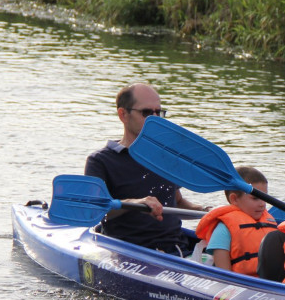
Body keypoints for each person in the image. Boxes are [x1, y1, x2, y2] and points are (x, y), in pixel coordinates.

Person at [84, 83, 209, 254]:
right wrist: (136, 203)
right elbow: (96, 211)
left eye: (159, 112)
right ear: (123, 114)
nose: (155, 119)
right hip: (126, 252)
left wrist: (206, 212)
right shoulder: (100, 161)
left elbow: (177, 202)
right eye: (147, 113)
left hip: (176, 250)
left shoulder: (167, 158)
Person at [194, 166, 278, 275]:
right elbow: (224, 272)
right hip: (241, 284)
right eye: (255, 198)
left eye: (265, 198)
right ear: (234, 199)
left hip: (270, 283)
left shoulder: (269, 221)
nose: (262, 204)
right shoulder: (223, 229)